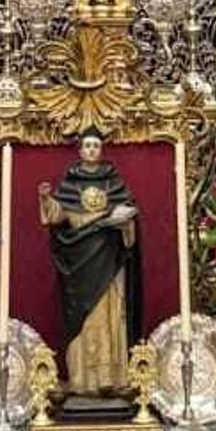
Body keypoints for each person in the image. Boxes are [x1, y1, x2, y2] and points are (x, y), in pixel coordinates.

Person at [39, 128, 141, 394]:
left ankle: (113, 377)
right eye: (88, 145)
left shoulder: (115, 182)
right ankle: (83, 380)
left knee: (110, 314)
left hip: (109, 260)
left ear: (102, 149)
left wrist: (125, 221)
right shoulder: (70, 183)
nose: (93, 150)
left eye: (96, 145)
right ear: (80, 150)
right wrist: (46, 199)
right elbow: (57, 216)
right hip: (80, 265)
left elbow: (129, 215)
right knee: (84, 318)